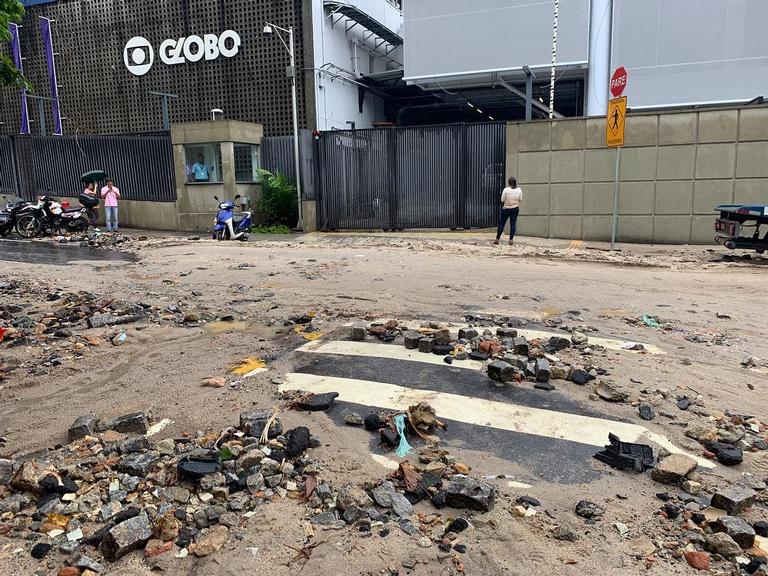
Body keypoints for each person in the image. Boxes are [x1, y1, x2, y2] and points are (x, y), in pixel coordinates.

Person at [494, 176, 522, 246]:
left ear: (509, 183)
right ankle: (511, 240)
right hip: (515, 208)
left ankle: (497, 239)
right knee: (513, 224)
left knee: (501, 224)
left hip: (506, 208)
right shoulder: (519, 190)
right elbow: (520, 199)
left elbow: (502, 200)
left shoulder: (506, 190)